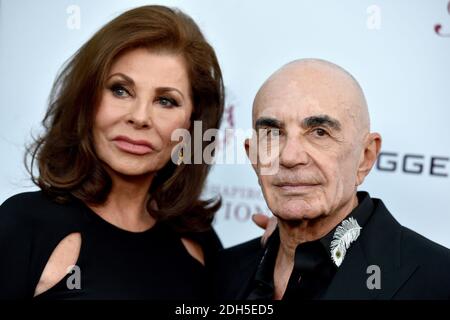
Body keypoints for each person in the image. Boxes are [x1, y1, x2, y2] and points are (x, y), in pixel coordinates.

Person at [0, 5, 228, 299]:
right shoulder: (23, 224)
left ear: (192, 124)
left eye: (166, 101)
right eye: (121, 90)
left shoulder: (202, 245)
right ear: (87, 99)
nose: (140, 117)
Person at [213, 59, 450, 300]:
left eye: (319, 132)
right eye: (273, 133)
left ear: (366, 157)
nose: (290, 157)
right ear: (253, 156)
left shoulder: (439, 280)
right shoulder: (219, 272)